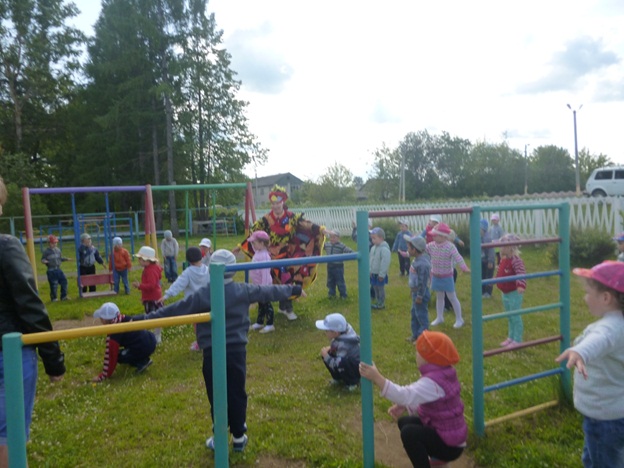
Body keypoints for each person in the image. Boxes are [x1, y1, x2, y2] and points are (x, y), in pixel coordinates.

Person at [133, 249, 306, 453]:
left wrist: (140, 320)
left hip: (212, 352)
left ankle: (220, 436)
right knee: (237, 392)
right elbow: (268, 291)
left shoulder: (204, 294)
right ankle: (239, 436)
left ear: (211, 270)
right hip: (236, 352)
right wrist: (294, 289)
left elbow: (174, 310)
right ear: (234, 270)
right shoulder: (243, 290)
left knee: (217, 395)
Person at [0, 176, 66, 468]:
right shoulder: (6, 247)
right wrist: (54, 361)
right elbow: (30, 306)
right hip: (9, 353)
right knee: (8, 435)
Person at [359, 330, 467, 468]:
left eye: (418, 353)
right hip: (448, 436)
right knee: (405, 422)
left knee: (409, 434)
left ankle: (435, 460)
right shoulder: (443, 373)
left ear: (427, 358)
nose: (416, 355)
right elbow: (433, 401)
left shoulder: (433, 382)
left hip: (450, 445)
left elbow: (404, 395)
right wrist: (405, 406)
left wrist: (377, 378)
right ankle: (438, 459)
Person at [555, 261, 624, 468]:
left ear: (606, 298)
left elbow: (599, 339)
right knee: (598, 456)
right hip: (615, 412)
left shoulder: (611, 327)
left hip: (604, 418)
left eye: (588, 292)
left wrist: (580, 351)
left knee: (603, 461)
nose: (584, 298)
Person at [237, 185, 325, 321]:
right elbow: (255, 233)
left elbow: (306, 224)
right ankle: (282, 307)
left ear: (283, 202)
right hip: (272, 254)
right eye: (273, 204)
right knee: (281, 275)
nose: (275, 206)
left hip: (290, 252)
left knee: (295, 271)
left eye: (278, 203)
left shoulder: (291, 217)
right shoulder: (266, 219)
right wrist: (240, 246)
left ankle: (285, 306)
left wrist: (322, 230)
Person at [160, 247, 210, 350]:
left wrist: (166, 295)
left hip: (194, 303)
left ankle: (200, 342)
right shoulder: (207, 269)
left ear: (188, 260)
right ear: (201, 257)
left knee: (197, 324)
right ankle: (209, 340)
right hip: (207, 300)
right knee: (207, 322)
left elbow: (178, 285)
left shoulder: (188, 272)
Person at [91, 302, 156, 382]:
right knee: (131, 344)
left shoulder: (114, 333)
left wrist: (103, 376)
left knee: (118, 356)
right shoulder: (124, 318)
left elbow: (111, 356)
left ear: (104, 320)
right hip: (151, 339)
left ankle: (142, 362)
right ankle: (140, 357)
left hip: (144, 346)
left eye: (101, 318)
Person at [426, 223, 470, 329]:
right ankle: (439, 317)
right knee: (439, 297)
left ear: (443, 236)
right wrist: (408, 253)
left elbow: (458, 257)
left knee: (452, 297)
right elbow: (421, 249)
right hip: (435, 275)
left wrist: (464, 267)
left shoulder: (450, 247)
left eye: (435, 235)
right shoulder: (431, 245)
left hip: (447, 276)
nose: (433, 237)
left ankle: (459, 319)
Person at [316, 312, 360, 391]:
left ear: (335, 332)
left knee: (341, 362)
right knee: (329, 353)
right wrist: (330, 349)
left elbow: (337, 363)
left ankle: (352, 382)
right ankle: (338, 377)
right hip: (345, 360)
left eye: (326, 331)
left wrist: (326, 356)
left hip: (356, 368)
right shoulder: (343, 332)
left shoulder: (345, 345)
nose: (325, 333)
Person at [496, 234, 527, 347]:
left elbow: (521, 273)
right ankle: (511, 337)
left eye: (503, 246)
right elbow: (500, 271)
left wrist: (521, 285)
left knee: (515, 315)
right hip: (505, 292)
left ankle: (517, 339)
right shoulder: (504, 259)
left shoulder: (516, 260)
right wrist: (496, 280)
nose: (501, 248)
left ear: (511, 247)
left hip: (514, 292)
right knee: (509, 315)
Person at [132, 246, 163, 344]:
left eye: (140, 259)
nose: (139, 261)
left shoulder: (150, 270)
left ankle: (156, 336)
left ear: (147, 260)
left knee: (153, 317)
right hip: (153, 297)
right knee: (155, 316)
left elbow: (151, 285)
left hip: (152, 298)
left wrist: (139, 286)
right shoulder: (151, 268)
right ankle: (156, 335)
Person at [247, 231, 276, 334]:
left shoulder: (264, 256)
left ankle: (270, 324)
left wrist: (264, 287)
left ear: (262, 243)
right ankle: (259, 322)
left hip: (264, 286)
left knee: (267, 305)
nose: (252, 245)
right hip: (258, 285)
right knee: (261, 304)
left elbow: (265, 272)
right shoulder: (258, 253)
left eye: (254, 243)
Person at [404, 235, 431, 342]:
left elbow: (422, 283)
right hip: (416, 292)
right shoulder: (416, 260)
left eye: (408, 248)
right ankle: (415, 334)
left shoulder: (422, 264)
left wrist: (419, 296)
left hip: (421, 294)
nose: (407, 250)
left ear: (414, 250)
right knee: (414, 314)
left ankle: (423, 337)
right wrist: (412, 290)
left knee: (421, 316)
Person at [323, 230, 353, 300]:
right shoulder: (327, 245)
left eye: (334, 237)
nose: (332, 239)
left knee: (340, 281)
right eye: (331, 237)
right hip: (330, 266)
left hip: (338, 267)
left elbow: (348, 250)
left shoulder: (341, 246)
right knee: (330, 281)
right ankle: (331, 294)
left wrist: (354, 254)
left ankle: (343, 295)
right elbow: (319, 245)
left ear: (339, 238)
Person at [41, 234, 71, 302]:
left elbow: (60, 258)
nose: (54, 244)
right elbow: (42, 259)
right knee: (54, 284)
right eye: (53, 243)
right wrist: (44, 261)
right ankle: (54, 298)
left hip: (58, 269)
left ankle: (64, 296)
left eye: (55, 243)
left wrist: (66, 259)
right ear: (48, 243)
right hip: (51, 271)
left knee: (64, 281)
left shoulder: (58, 250)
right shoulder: (46, 251)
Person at [370, 227, 391, 310]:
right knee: (375, 287)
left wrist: (382, 274)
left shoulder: (384, 249)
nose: (372, 240)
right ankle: (377, 300)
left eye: (374, 238)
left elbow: (385, 263)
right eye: (372, 238)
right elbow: (370, 260)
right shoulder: (373, 248)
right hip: (374, 273)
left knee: (380, 288)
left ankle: (381, 303)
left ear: (381, 238)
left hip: (380, 274)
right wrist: (370, 271)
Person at [480, 219, 495, 299]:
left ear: (483, 229)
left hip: (489, 261)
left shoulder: (487, 238)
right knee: (482, 276)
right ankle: (482, 291)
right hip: (482, 260)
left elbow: (491, 250)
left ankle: (488, 292)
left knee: (488, 277)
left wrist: (491, 261)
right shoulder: (479, 237)